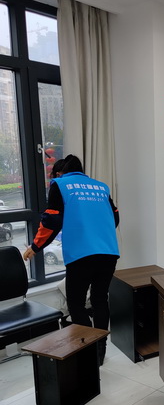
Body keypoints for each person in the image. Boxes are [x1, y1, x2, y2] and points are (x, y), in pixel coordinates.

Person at [23, 154, 120, 365]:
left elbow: (51, 221)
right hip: (108, 252)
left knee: (76, 304)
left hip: (81, 255)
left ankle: (87, 351)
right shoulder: (101, 187)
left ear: (60, 173)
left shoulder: (60, 185)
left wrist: (35, 246)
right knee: (100, 299)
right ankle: (100, 351)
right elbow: (115, 218)